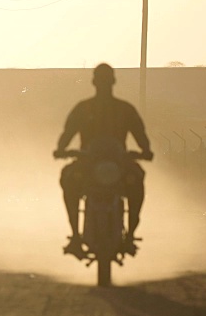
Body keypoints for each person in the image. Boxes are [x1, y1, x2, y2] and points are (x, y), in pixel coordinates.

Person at [53, 63, 153, 259]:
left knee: (136, 179)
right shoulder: (83, 109)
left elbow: (141, 135)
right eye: (101, 80)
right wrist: (61, 149)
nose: (104, 84)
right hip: (87, 164)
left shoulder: (124, 110)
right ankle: (75, 234)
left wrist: (146, 151)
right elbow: (67, 134)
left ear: (112, 82)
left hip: (120, 165)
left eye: (106, 80)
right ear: (94, 82)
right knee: (69, 178)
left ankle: (130, 234)